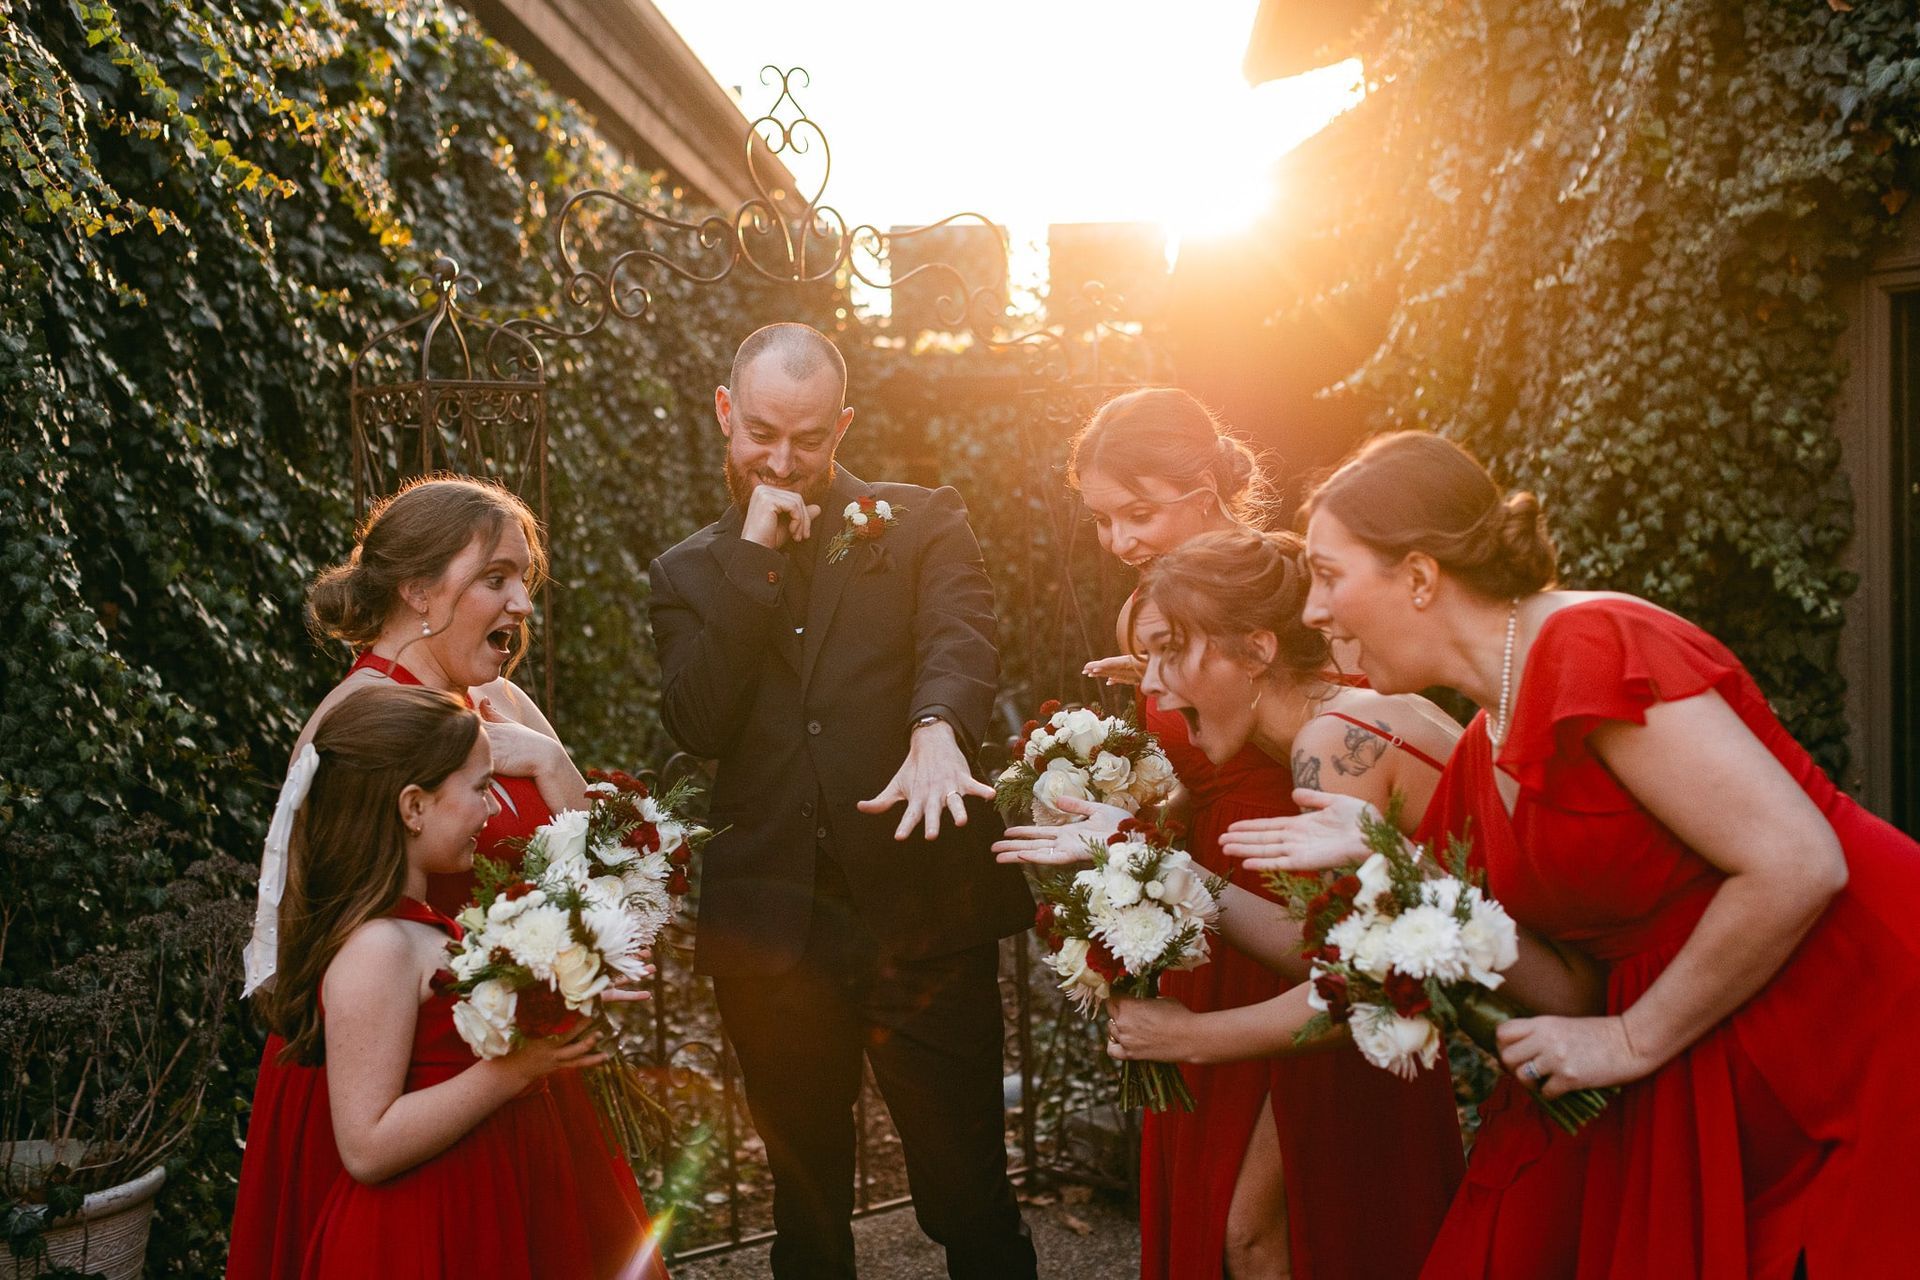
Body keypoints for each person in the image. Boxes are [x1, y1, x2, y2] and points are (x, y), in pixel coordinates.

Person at [1235, 429, 1920, 1278]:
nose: (1312, 611)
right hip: (1704, 1040)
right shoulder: (1482, 751)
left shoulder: (1594, 644)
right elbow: (1572, 989)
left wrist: (1633, 1040)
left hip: (1863, 1017)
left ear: (1417, 578)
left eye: (1330, 576)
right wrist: (1393, 866)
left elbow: (1796, 861)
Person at [647, 322, 1036, 1279]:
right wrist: (753, 556)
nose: (786, 461)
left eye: (811, 439)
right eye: (764, 433)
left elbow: (962, 637)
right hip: (773, 934)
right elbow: (698, 719)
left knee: (966, 1197)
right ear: (725, 414)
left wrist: (938, 725)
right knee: (807, 1213)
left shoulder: (924, 521)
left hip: (923, 918)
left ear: (844, 426)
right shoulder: (686, 574)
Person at [998, 522, 1481, 1279]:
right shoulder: (1335, 721)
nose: (1148, 686)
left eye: (1166, 653)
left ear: (1258, 651)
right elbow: (1332, 956)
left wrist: (1191, 1035)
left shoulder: (1332, 745)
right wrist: (1146, 861)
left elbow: (1362, 991)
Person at [228, 477, 663, 1280]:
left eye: (523, 582)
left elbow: (601, 881)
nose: (521, 605)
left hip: (526, 1086)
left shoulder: (502, 701)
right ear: (419, 588)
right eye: (496, 578)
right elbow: (300, 943)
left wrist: (553, 761)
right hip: (399, 1090)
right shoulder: (352, 727)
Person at [254, 683, 630, 1277]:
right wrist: (517, 1070)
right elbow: (366, 1147)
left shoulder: (421, 928)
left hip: (470, 1204)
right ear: (413, 807)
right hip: (417, 1234)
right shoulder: (377, 946)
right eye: (481, 789)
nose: (490, 811)